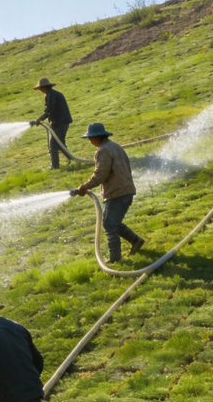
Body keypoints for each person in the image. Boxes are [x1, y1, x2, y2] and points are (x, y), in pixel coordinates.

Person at [76, 123, 145, 263]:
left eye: (90, 138)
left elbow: (100, 174)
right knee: (113, 221)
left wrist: (85, 187)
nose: (90, 141)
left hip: (117, 192)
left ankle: (115, 259)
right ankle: (136, 240)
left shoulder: (103, 151)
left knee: (109, 224)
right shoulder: (115, 146)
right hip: (126, 190)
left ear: (97, 137)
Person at [29, 78, 73, 170]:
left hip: (61, 122)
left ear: (44, 87)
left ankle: (55, 166)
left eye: (41, 88)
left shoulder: (51, 95)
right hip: (60, 121)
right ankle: (71, 159)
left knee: (54, 143)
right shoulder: (51, 94)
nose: (40, 90)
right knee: (59, 143)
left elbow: (49, 111)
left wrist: (40, 119)